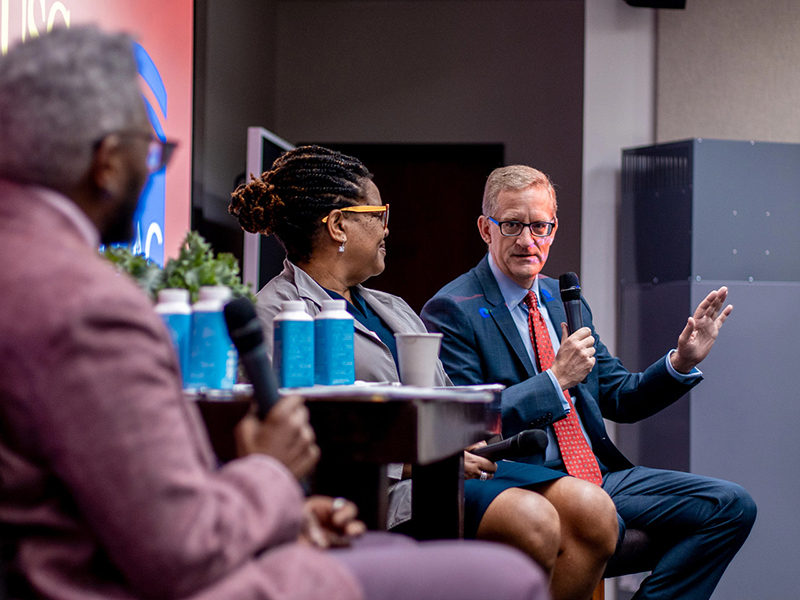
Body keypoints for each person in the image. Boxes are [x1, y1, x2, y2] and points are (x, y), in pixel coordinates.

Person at [0, 26, 550, 600]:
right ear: (108, 162)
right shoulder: (94, 310)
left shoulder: (27, 279)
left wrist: (289, 512)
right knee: (509, 577)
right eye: (153, 155)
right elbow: (182, 547)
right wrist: (267, 472)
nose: (151, 175)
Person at [229, 145, 619, 600]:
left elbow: (447, 397)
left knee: (594, 512)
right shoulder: (276, 316)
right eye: (378, 214)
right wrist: (417, 458)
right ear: (338, 225)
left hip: (447, 468)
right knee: (532, 521)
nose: (387, 228)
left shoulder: (390, 307)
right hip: (376, 488)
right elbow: (287, 435)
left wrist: (462, 439)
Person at [420, 164, 758, 600]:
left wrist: (680, 361)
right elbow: (466, 422)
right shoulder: (453, 308)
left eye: (539, 226)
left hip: (597, 472)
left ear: (553, 228)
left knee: (731, 507)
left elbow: (620, 396)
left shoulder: (558, 299)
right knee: (599, 517)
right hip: (521, 480)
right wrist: (555, 378)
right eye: (512, 225)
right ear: (486, 229)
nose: (528, 241)